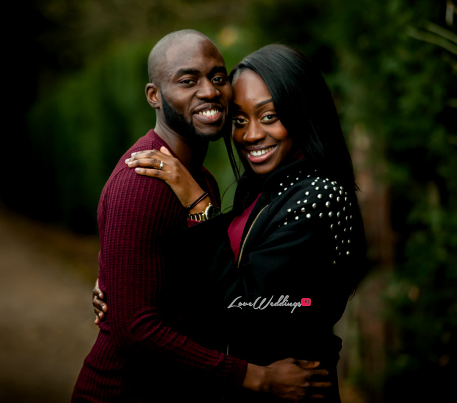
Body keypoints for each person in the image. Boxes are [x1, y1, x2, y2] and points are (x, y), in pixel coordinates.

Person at [95, 44, 368, 402]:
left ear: (302, 112)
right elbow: (216, 276)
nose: (251, 135)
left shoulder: (317, 196)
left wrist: (198, 205)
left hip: (293, 388)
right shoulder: (265, 189)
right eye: (239, 120)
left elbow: (247, 310)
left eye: (269, 116)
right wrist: (124, 280)